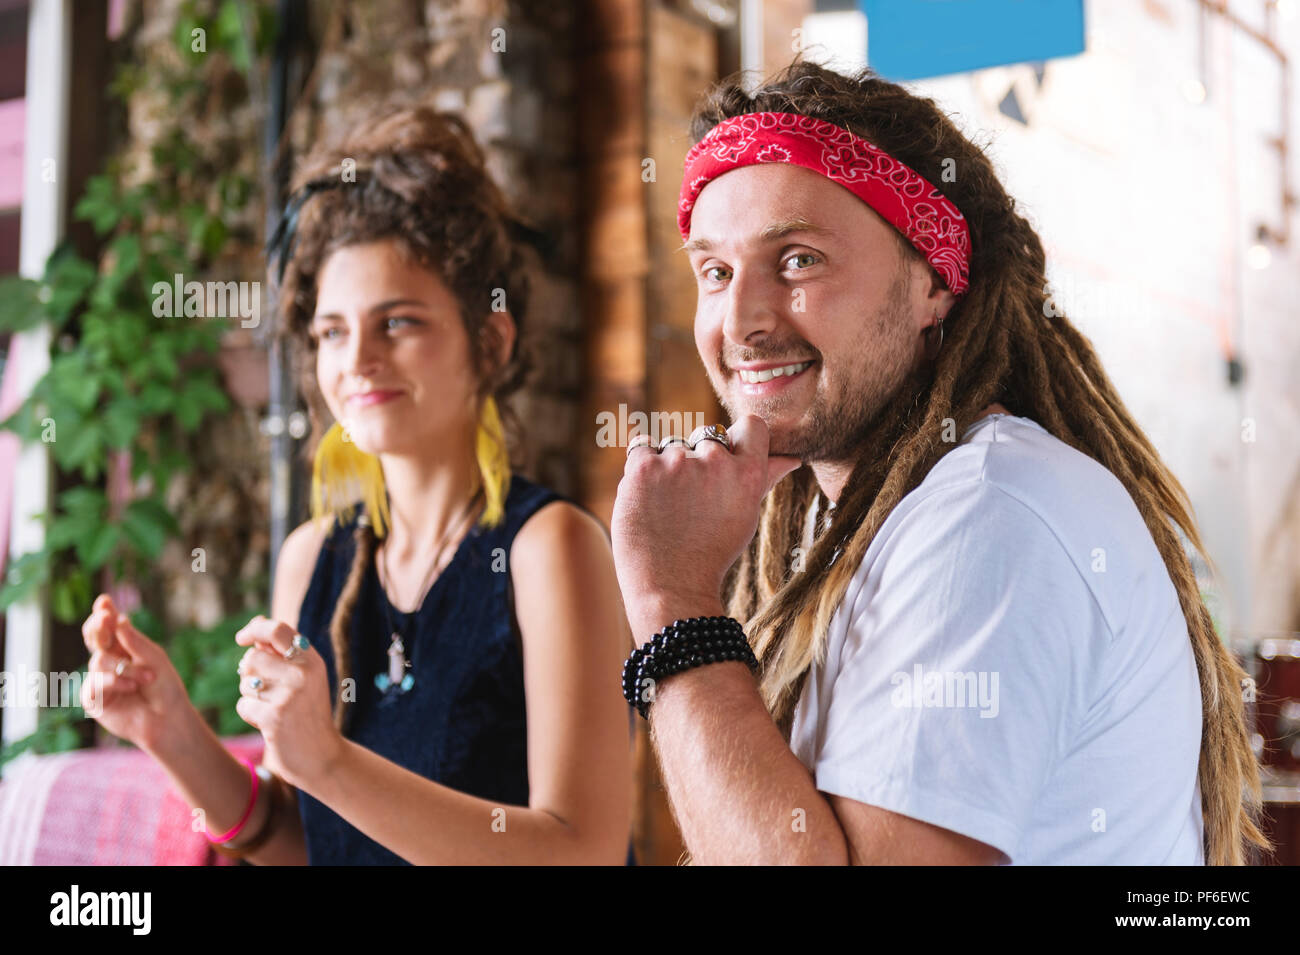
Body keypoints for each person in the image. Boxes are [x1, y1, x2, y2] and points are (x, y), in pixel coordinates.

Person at [609, 61, 1268, 865]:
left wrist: (671, 598)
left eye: (798, 260)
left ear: (934, 283)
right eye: (715, 270)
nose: (740, 321)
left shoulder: (988, 517)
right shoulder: (862, 517)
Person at [81, 105, 633, 865]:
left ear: (490, 341)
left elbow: (585, 851)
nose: (358, 358)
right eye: (333, 331)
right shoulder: (313, 558)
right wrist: (168, 727)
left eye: (398, 321)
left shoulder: (551, 548)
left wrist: (329, 763)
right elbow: (294, 840)